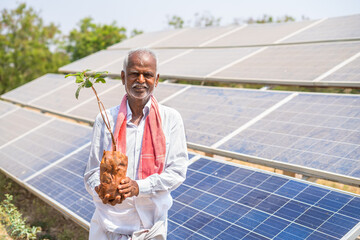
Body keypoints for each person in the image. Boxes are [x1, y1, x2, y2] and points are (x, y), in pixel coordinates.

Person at [84, 48, 188, 240]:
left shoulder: (171, 119)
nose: (140, 80)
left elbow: (177, 172)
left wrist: (138, 187)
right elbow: (91, 172)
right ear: (123, 77)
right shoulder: (105, 119)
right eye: (134, 74)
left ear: (156, 79)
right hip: (108, 225)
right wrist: (101, 188)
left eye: (147, 74)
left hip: (151, 226)